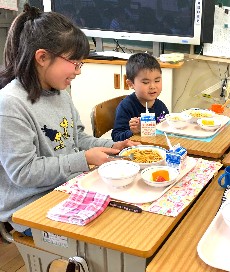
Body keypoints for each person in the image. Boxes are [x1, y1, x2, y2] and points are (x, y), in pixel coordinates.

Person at [0, 4, 139, 235]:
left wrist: (114, 147)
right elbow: (24, 172)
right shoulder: (10, 104)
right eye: (75, 63)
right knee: (112, 233)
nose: (78, 71)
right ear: (42, 57)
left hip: (68, 186)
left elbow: (78, 138)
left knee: (130, 213)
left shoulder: (59, 93)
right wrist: (83, 159)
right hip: (31, 206)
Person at [112, 53, 169, 141]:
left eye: (157, 80)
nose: (153, 86)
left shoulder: (161, 106)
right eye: (146, 82)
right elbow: (116, 137)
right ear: (131, 84)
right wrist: (133, 132)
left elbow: (166, 131)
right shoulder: (126, 106)